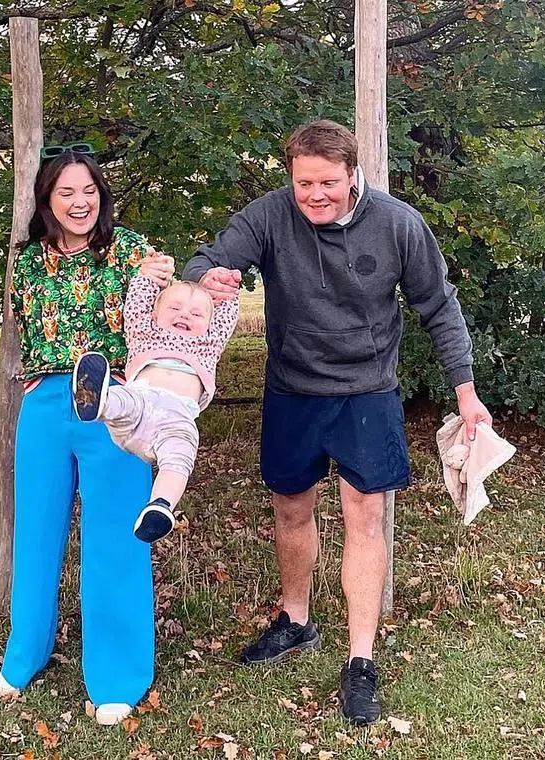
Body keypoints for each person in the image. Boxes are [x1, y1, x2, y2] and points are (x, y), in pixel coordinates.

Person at [182, 120, 492, 726]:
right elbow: (210, 259)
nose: (315, 194)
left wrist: (466, 391)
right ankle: (296, 620)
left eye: (327, 182)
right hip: (292, 389)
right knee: (290, 510)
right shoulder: (270, 215)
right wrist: (206, 277)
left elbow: (438, 304)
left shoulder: (398, 223)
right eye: (304, 183)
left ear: (352, 174)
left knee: (365, 518)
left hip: (366, 393)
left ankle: (360, 660)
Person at [0, 145, 175, 727]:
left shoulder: (132, 252)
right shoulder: (28, 261)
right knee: (35, 531)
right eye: (67, 192)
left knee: (116, 537)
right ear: (47, 200)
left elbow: (168, 320)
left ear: (102, 195)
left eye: (89, 191)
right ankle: (26, 652)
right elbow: (26, 325)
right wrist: (38, 380)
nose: (80, 202)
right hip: (47, 405)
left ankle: (117, 674)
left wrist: (163, 279)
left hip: (114, 406)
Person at [71, 275, 239, 542]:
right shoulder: (145, 332)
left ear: (209, 323)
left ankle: (160, 506)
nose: (185, 315)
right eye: (175, 307)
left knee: (180, 455)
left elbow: (227, 315)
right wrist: (148, 277)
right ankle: (96, 402)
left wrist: (228, 287)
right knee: (126, 400)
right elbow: (136, 303)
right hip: (141, 402)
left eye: (196, 314)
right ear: (155, 312)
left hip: (176, 419)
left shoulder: (209, 343)